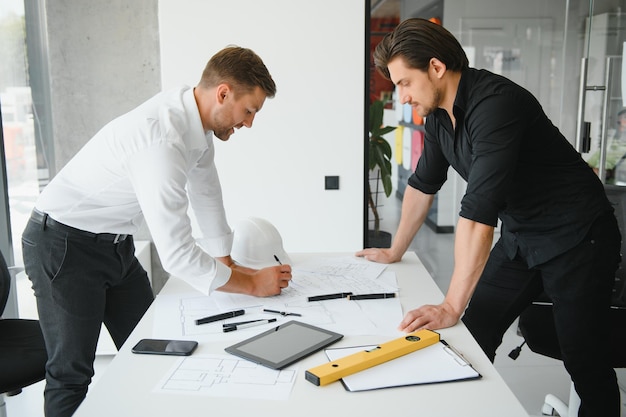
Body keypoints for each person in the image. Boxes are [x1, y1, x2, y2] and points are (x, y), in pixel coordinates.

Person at [356, 18, 621, 417]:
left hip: (578, 237)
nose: (402, 96)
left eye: (405, 82)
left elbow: (478, 215)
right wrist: (394, 250)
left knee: (583, 359)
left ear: (436, 67)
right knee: (474, 332)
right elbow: (423, 184)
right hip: (522, 235)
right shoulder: (439, 118)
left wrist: (450, 304)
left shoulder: (496, 104)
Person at [21, 46, 292, 417]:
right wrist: (250, 284)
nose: (249, 123)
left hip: (114, 245)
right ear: (224, 93)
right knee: (71, 374)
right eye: (250, 111)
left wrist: (231, 266)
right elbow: (178, 254)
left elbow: (206, 193)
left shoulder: (193, 121)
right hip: (64, 245)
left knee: (156, 349)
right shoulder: (160, 140)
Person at [587, 108, 626, 183]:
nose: (621, 123)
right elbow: (590, 163)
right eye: (619, 122)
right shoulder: (611, 142)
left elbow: (620, 173)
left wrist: (607, 173)